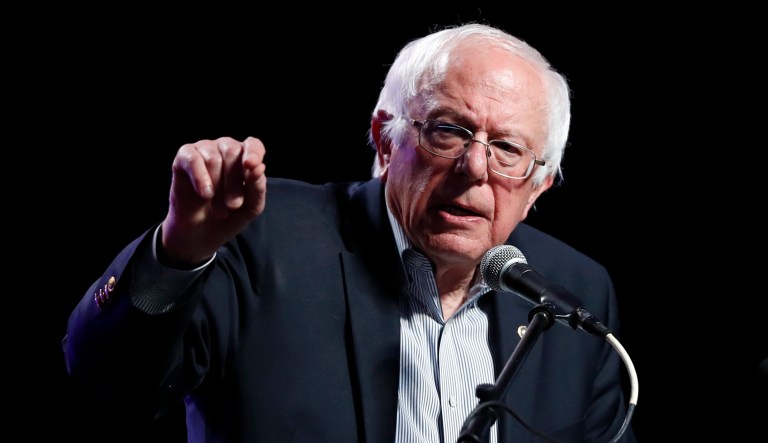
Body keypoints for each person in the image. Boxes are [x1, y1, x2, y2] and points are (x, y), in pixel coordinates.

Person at [63, 23, 637, 443]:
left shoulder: (575, 293)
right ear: (386, 142)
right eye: (448, 131)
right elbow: (109, 381)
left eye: (508, 149)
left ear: (539, 185)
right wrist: (180, 250)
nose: (475, 169)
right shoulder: (259, 236)